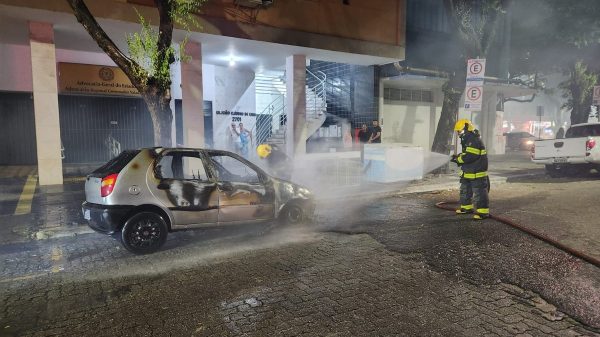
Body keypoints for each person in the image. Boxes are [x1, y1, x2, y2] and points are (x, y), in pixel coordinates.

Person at [450, 119, 490, 220]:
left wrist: (458, 159)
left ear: (466, 128)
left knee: (479, 193)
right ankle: (466, 208)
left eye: (460, 131)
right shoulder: (467, 139)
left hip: (476, 172)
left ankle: (483, 212)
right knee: (465, 190)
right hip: (468, 172)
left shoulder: (473, 140)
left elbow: (471, 156)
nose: (459, 133)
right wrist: (458, 157)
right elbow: (467, 154)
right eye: (458, 131)